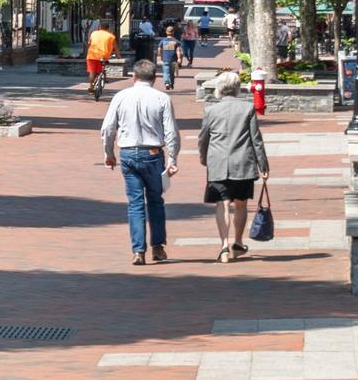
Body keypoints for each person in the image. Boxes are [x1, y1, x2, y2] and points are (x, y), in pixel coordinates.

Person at [101, 58, 181, 266]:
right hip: (153, 153)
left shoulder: (121, 96)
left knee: (135, 203)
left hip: (128, 153)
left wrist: (109, 152)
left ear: (133, 77)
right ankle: (158, 247)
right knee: (155, 201)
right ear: (154, 79)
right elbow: (171, 131)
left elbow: (108, 128)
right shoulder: (162, 98)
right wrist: (172, 157)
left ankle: (138, 251)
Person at [198, 70, 269, 263]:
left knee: (222, 203)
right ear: (237, 88)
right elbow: (256, 139)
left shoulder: (211, 110)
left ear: (219, 89)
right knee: (241, 203)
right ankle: (237, 242)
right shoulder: (247, 108)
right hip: (242, 163)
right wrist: (263, 164)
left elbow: (204, 137)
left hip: (218, 162)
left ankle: (224, 245)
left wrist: (203, 158)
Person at [85, 18, 119, 101]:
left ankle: (91, 86)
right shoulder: (111, 36)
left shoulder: (94, 33)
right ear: (108, 29)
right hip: (103, 56)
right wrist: (118, 55)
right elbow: (116, 47)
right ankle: (101, 77)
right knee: (101, 69)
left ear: (100, 27)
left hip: (92, 55)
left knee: (92, 72)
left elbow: (89, 43)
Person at [159, 22, 182, 90]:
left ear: (166, 32)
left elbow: (159, 49)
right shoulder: (176, 41)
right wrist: (179, 58)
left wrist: (161, 56)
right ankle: (171, 84)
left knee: (166, 72)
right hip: (173, 60)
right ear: (173, 32)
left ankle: (167, 83)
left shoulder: (163, 41)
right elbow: (178, 50)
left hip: (165, 59)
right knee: (172, 73)